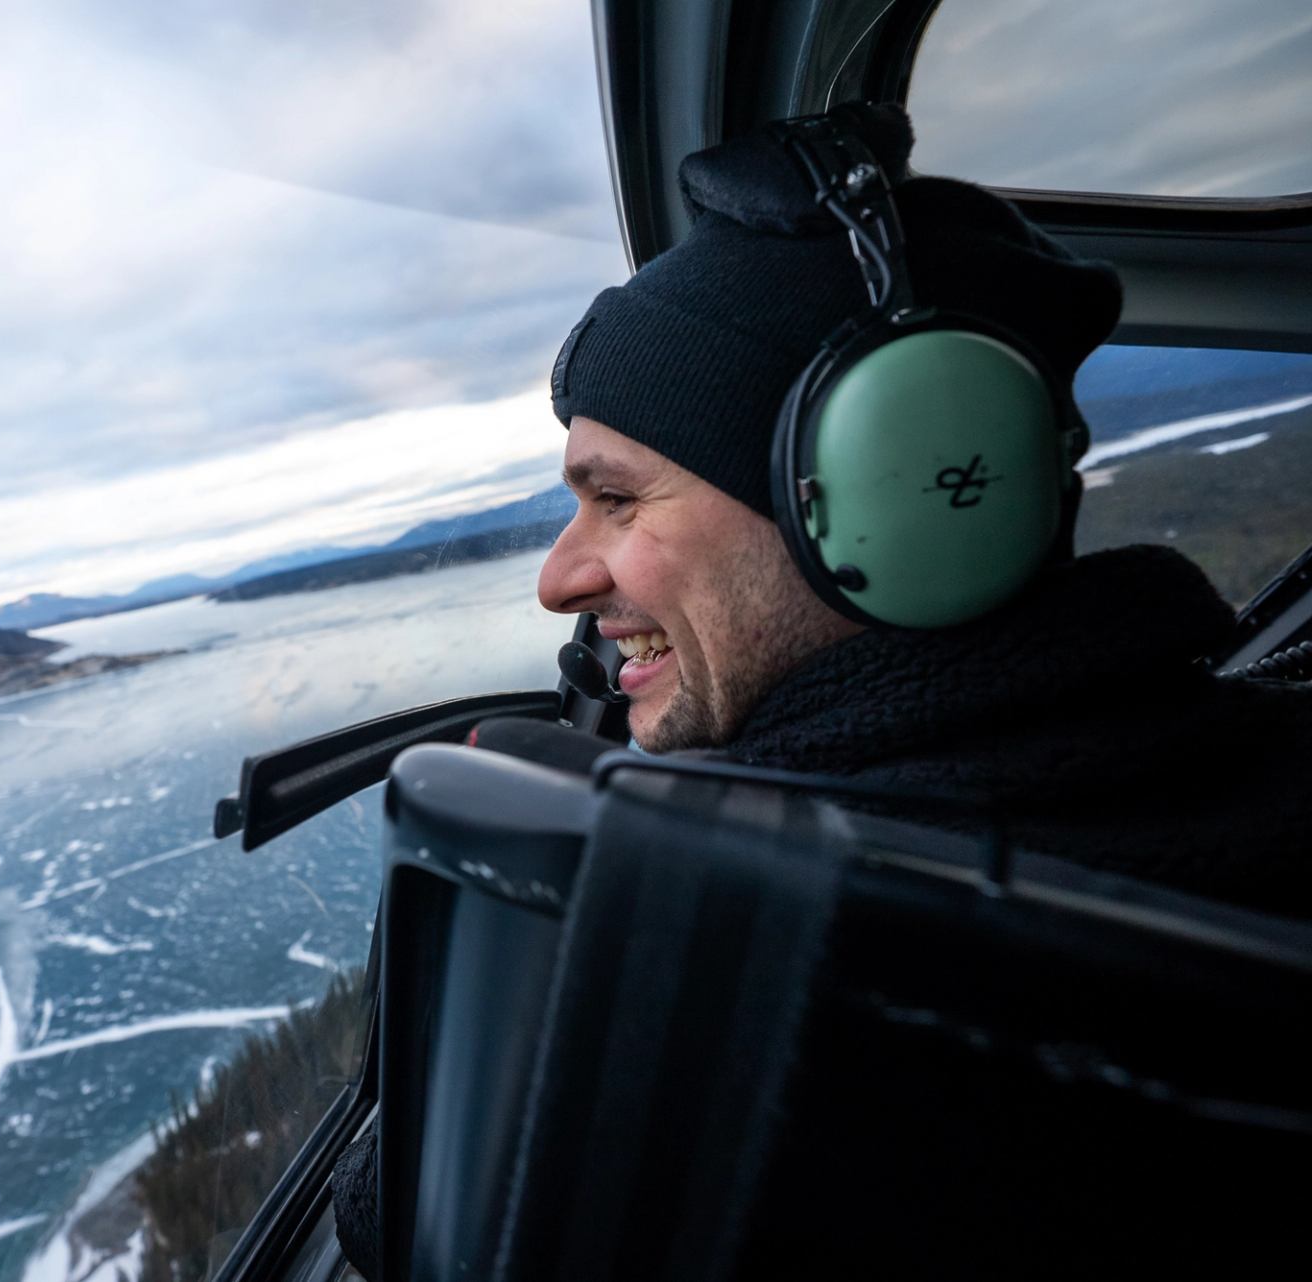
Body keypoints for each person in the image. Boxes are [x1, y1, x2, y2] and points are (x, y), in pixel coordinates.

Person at [329, 100, 1311, 1279]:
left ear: (886, 500)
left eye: (620, 498)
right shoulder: (1243, 757)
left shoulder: (742, 975)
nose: (560, 578)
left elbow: (395, 1212)